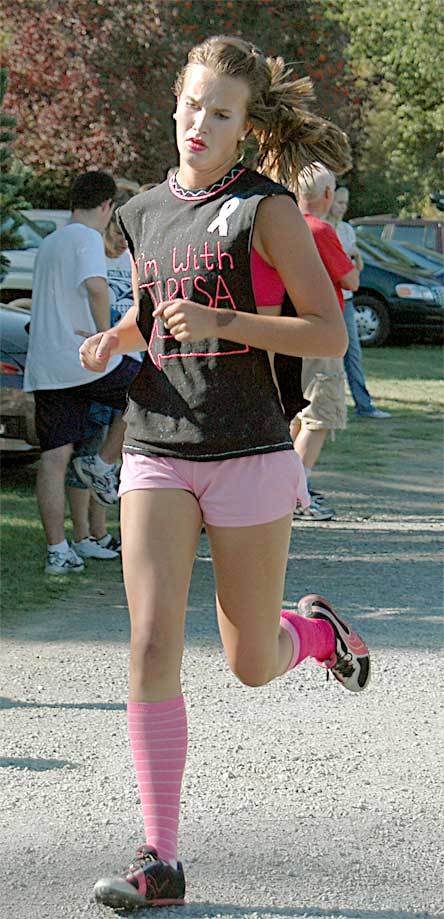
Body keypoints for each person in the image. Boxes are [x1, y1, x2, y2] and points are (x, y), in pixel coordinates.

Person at [79, 37, 371, 910]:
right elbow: (152, 313)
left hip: (246, 451)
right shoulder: (138, 211)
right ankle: (159, 857)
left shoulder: (266, 209)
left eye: (222, 113)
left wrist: (226, 318)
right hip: (158, 447)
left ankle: (316, 633)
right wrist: (117, 338)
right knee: (150, 640)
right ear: (175, 106)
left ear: (244, 129)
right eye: (193, 105)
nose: (200, 123)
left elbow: (327, 333)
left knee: (250, 660)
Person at [24, 171, 141, 575]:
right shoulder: (88, 237)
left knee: (54, 459)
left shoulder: (50, 241)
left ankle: (58, 551)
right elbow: (95, 287)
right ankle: (103, 464)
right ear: (108, 205)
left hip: (47, 366)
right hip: (83, 359)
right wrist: (104, 335)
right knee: (148, 393)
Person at [66, 188, 142, 560]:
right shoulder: (93, 250)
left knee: (108, 461)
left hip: (132, 361)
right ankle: (82, 533)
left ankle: (99, 531)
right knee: (88, 446)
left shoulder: (134, 256)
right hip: (101, 362)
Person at [291, 163, 359, 520]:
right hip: (320, 333)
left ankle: (286, 491)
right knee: (319, 416)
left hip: (287, 331)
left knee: (295, 417)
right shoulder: (321, 229)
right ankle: (297, 496)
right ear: (327, 196)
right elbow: (350, 281)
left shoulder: (284, 226)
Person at [327, 186, 391, 419]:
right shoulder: (322, 229)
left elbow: (355, 269)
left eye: (345, 203)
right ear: (328, 198)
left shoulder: (346, 230)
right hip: (327, 302)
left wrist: (356, 258)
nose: (342, 207)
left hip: (347, 299)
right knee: (325, 358)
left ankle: (364, 405)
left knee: (353, 354)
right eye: (339, 202)